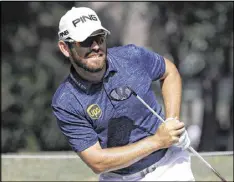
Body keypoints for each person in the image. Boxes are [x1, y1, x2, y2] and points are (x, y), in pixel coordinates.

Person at [52, 6, 195, 181]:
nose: (96, 46)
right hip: (118, 177)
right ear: (65, 48)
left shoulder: (132, 57)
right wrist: (158, 140)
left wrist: (172, 122)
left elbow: (169, 72)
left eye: (99, 38)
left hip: (169, 165)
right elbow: (97, 162)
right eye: (86, 41)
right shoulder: (66, 102)